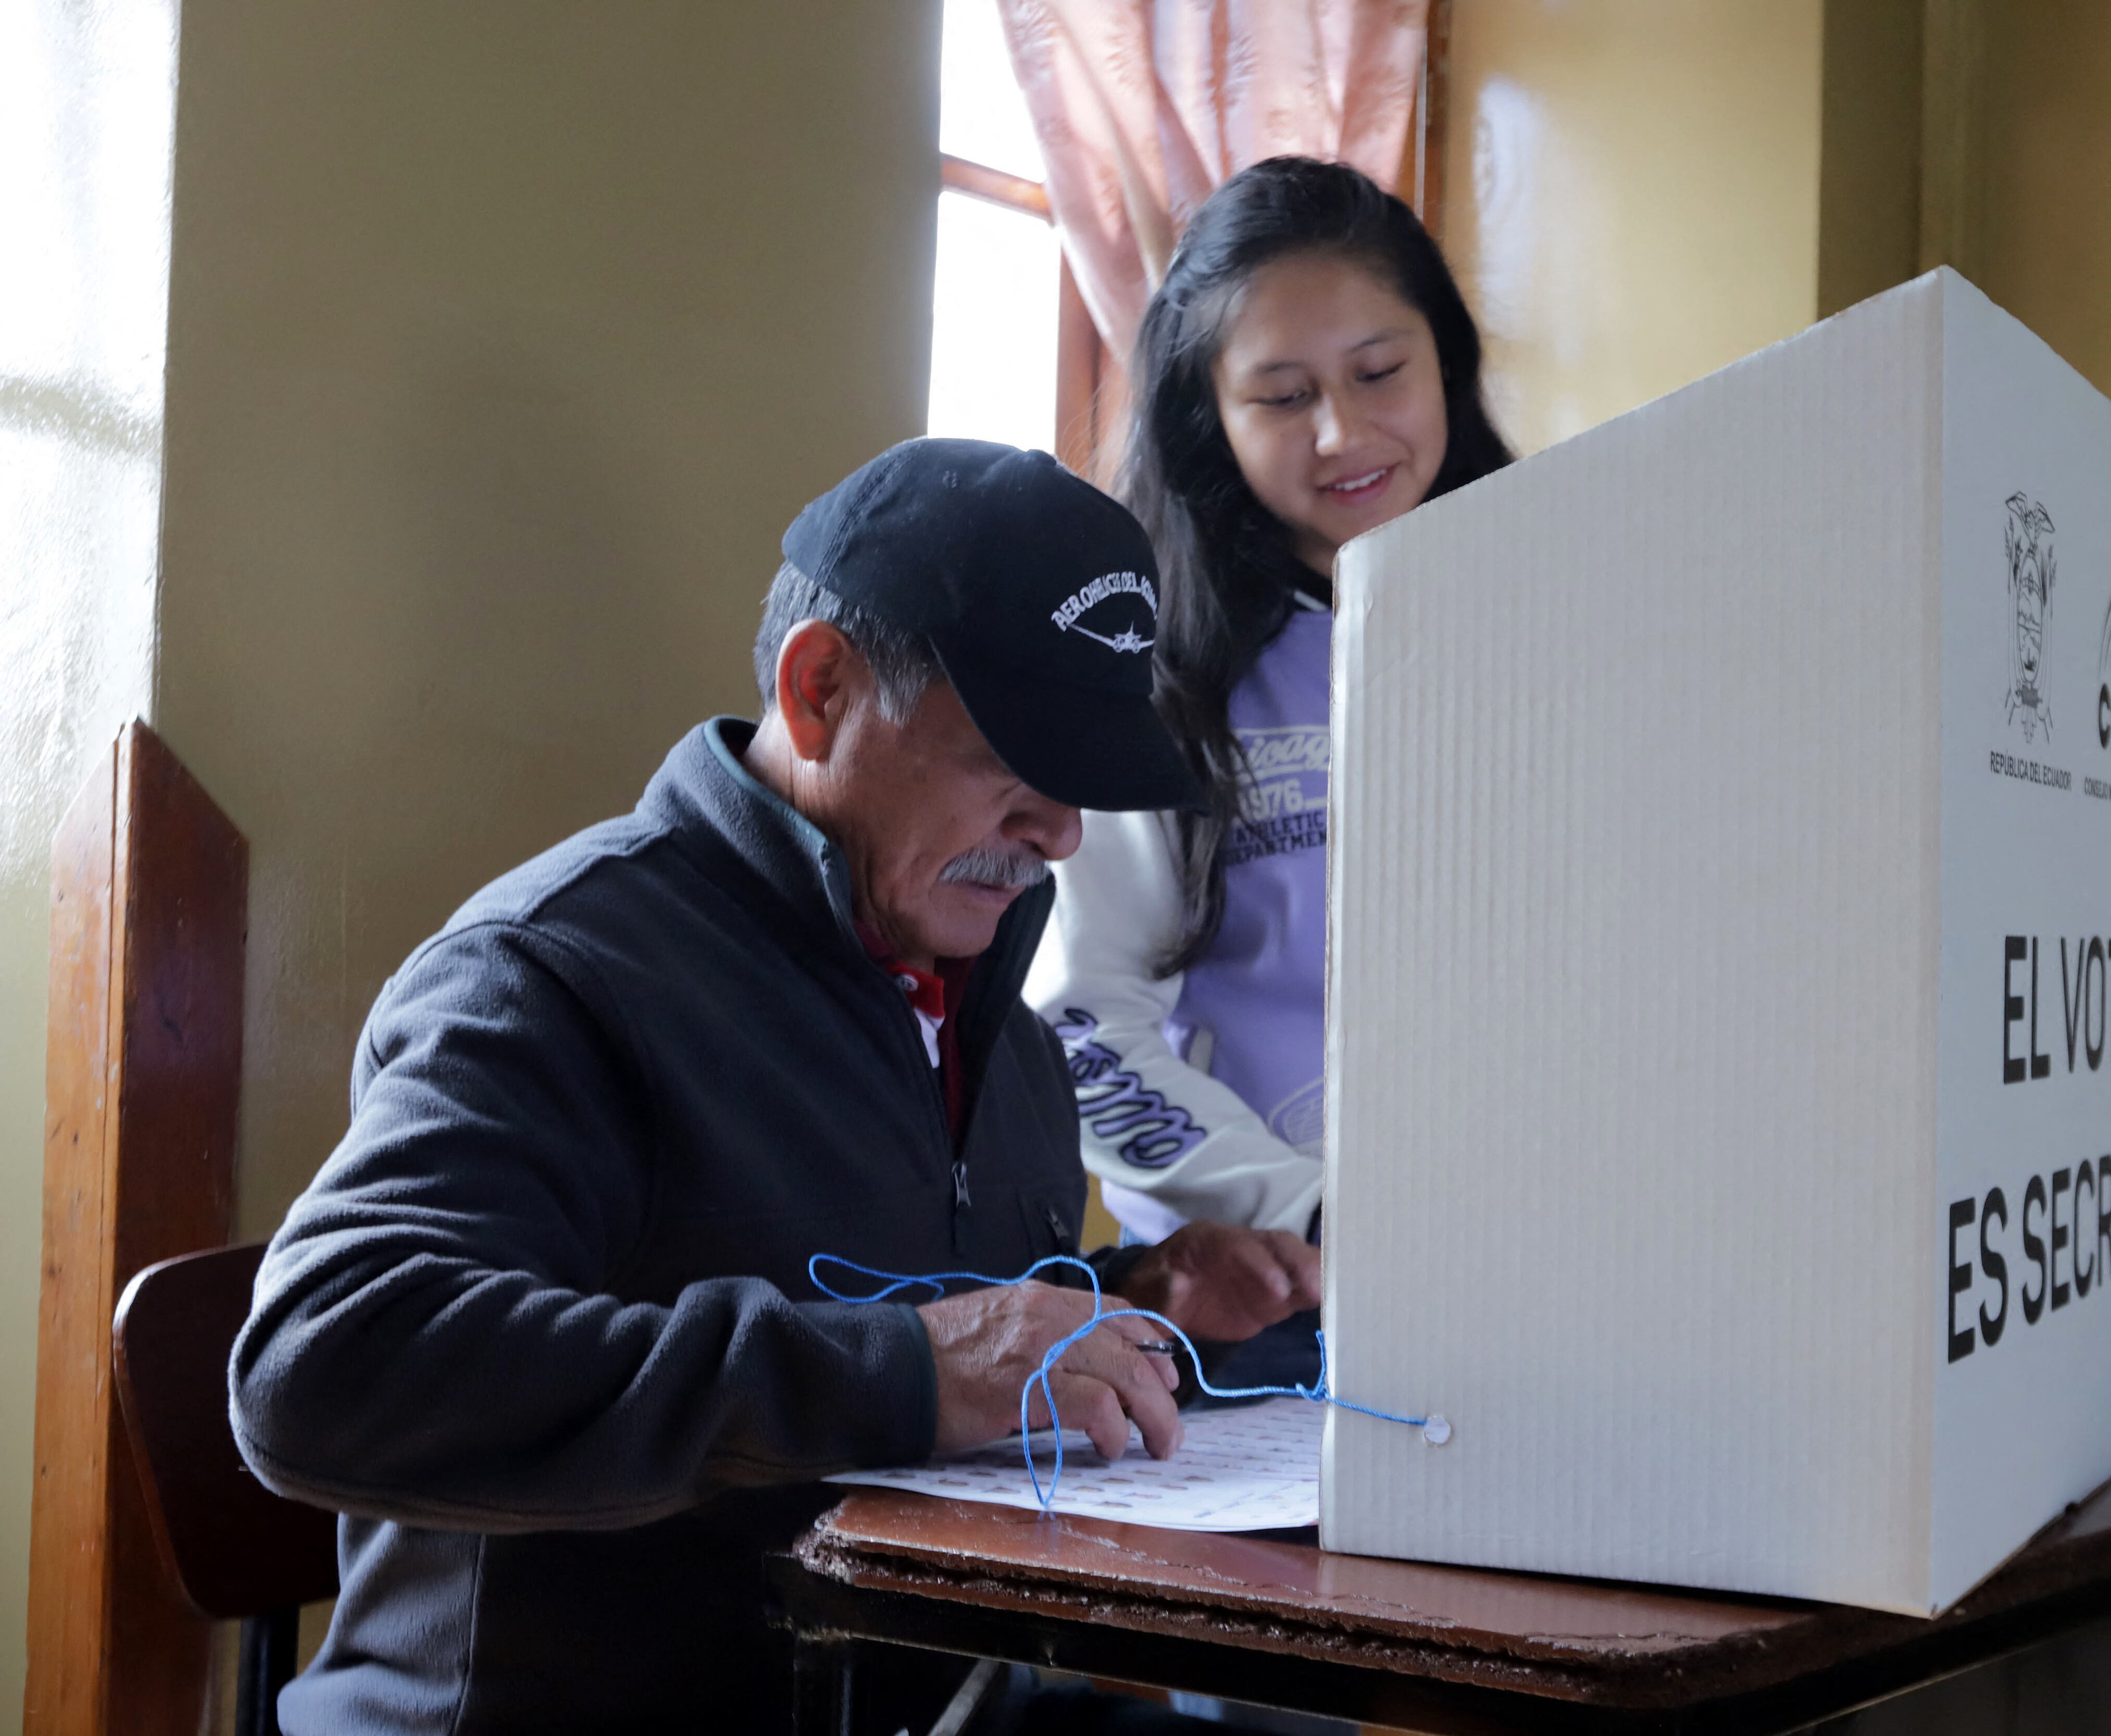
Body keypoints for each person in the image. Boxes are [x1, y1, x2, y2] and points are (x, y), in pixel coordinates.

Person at [230, 440, 1321, 1734]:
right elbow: (320, 1366)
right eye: (1016, 763)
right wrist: (909, 1368)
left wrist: (1129, 1309)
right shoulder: (552, 972)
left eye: (1084, 779)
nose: (1063, 832)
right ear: (820, 692)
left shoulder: (1002, 1029)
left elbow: (915, 1312)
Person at [1030, 158, 1514, 1248]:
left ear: (1447, 362)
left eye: (1380, 371)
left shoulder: (1555, 622)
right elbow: (1084, 1027)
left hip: (1537, 1240)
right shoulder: (1147, 679)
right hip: (1271, 1283)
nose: (1341, 433)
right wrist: (1309, 1213)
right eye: (1283, 397)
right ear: (1210, 419)